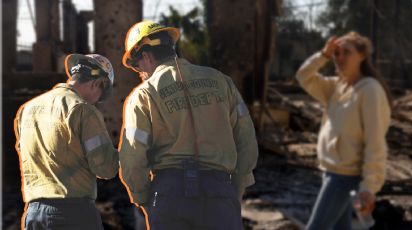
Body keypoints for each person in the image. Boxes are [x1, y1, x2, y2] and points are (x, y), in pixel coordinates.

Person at [119, 20, 258, 230]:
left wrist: (145, 199)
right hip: (219, 191)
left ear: (146, 56)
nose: (139, 73)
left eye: (136, 66)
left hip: (169, 195)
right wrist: (235, 190)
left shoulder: (143, 95)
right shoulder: (221, 81)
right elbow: (246, 140)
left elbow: (132, 159)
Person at [295, 31, 392, 230]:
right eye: (337, 53)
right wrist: (323, 54)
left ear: (362, 56)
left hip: (346, 177)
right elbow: (303, 76)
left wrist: (369, 186)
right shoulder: (336, 87)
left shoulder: (370, 89)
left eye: (346, 52)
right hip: (331, 172)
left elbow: (375, 141)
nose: (340, 58)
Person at [14, 54, 119, 230]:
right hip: (73, 214)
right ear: (96, 83)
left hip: (33, 215)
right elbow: (105, 168)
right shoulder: (83, 110)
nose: (97, 102)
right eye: (100, 96)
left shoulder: (27, 109)